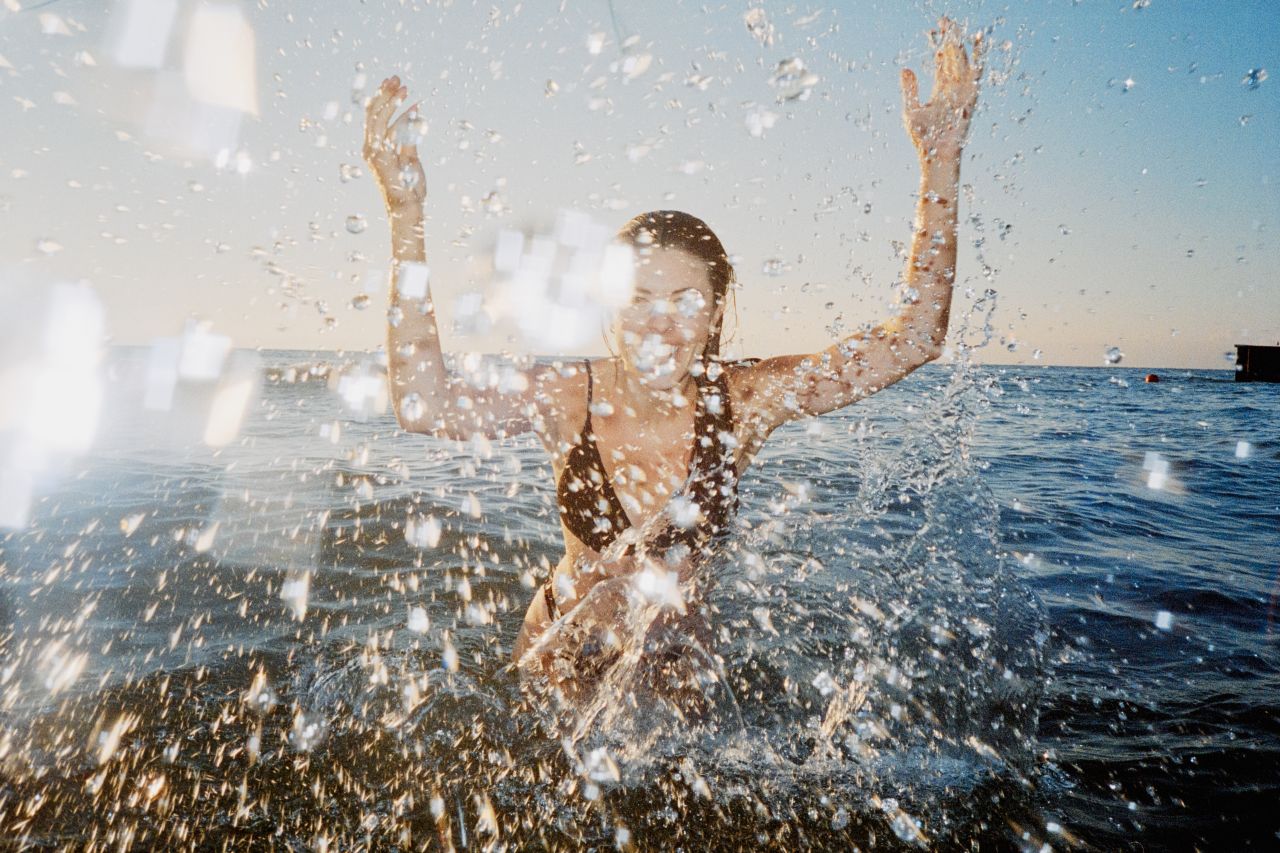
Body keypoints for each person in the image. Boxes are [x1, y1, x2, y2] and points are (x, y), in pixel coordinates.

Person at [362, 19, 984, 697]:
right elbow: (422, 402)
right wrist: (405, 213)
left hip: (678, 668)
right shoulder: (566, 394)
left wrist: (940, 159)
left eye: (685, 300)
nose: (659, 323)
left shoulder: (744, 400)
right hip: (560, 654)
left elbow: (916, 337)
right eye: (638, 298)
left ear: (717, 312)